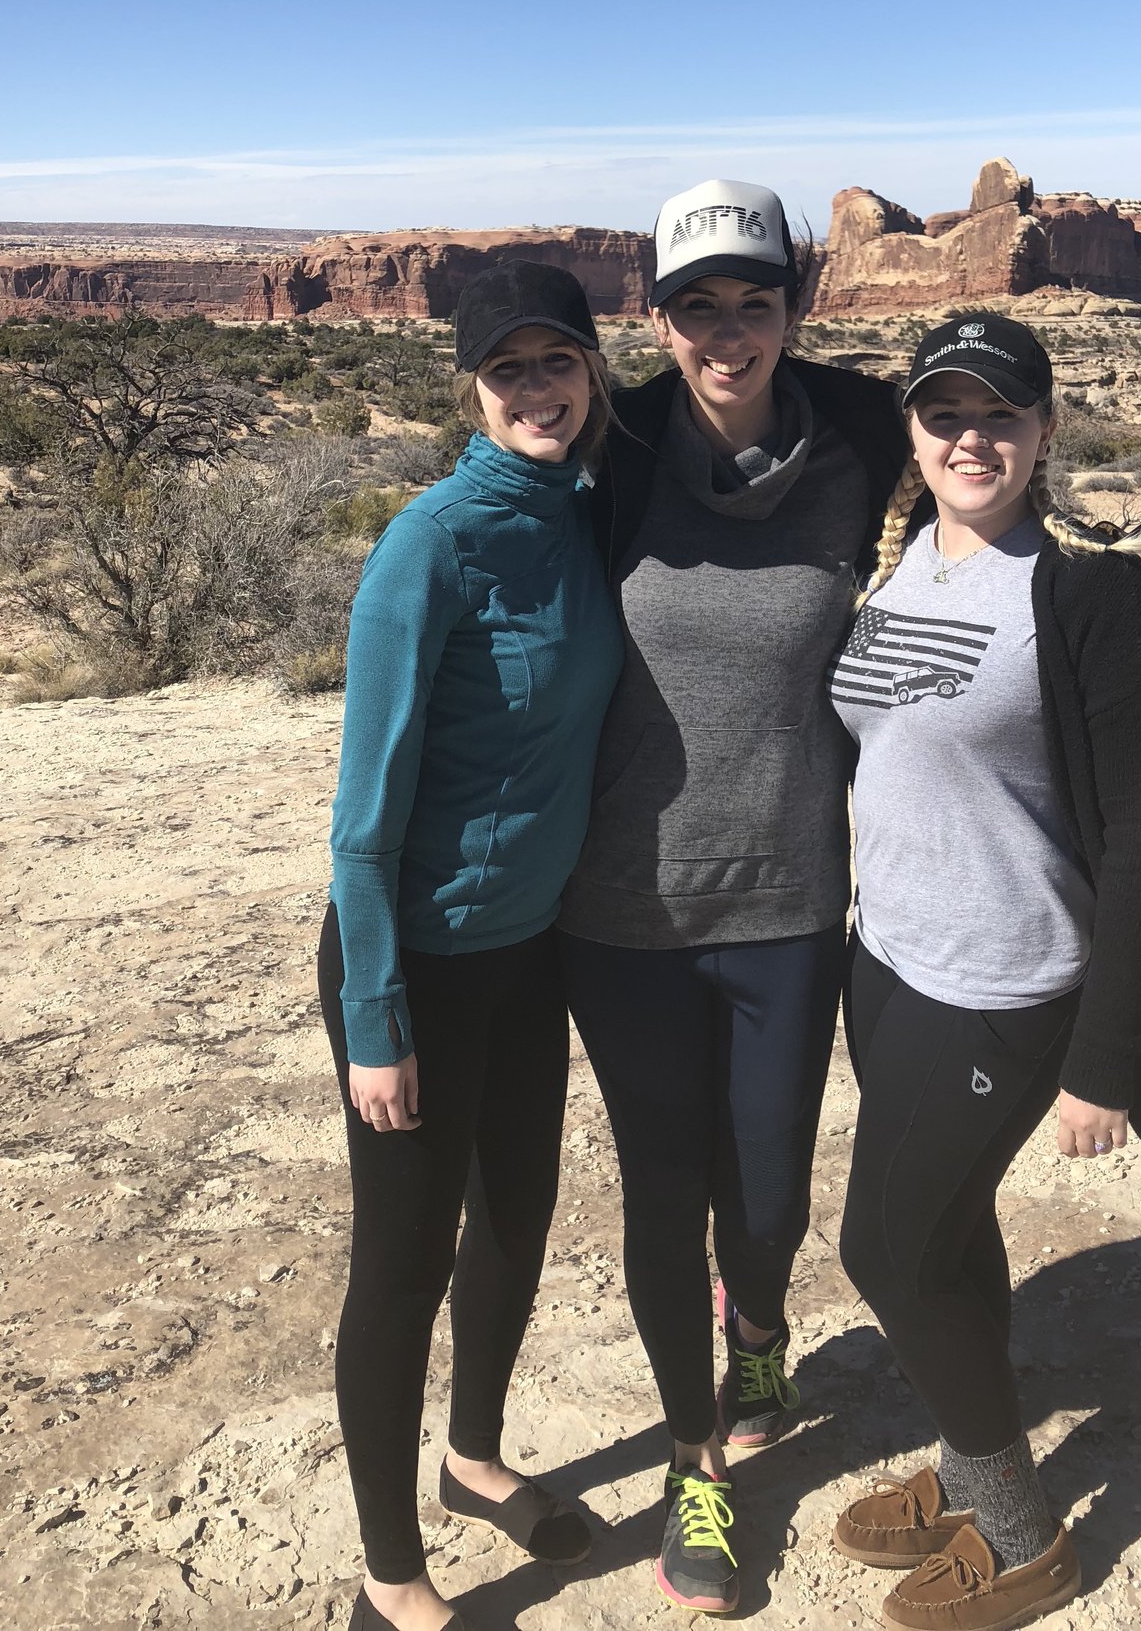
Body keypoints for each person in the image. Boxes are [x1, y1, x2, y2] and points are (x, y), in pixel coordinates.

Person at [826, 312, 1141, 1631]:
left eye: (1001, 414)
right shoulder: (904, 565)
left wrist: (1101, 1059)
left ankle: (1020, 1526)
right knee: (949, 1233)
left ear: (1045, 431)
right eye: (944, 413)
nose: (970, 437)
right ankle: (961, 1460)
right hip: (888, 966)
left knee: (883, 1245)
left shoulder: (1093, 596)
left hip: (1013, 983)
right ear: (915, 432)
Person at [556, 180, 908, 1614]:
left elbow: (978, 496)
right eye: (695, 304)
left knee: (765, 1190)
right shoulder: (615, 441)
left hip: (785, 895)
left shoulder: (864, 431)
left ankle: (756, 1321)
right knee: (663, 1188)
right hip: (622, 907)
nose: (726, 331)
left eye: (752, 301)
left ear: (795, 306)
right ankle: (697, 1466)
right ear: (658, 315)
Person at [317, 264, 624, 1631]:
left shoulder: (588, 514)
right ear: (472, 386)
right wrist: (377, 1017)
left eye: (560, 360)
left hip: (531, 947)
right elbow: (362, 824)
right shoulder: (426, 544)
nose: (539, 388)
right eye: (510, 369)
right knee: (404, 1259)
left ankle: (474, 1456)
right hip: (415, 962)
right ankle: (393, 1576)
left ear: (592, 371)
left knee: (516, 1218)